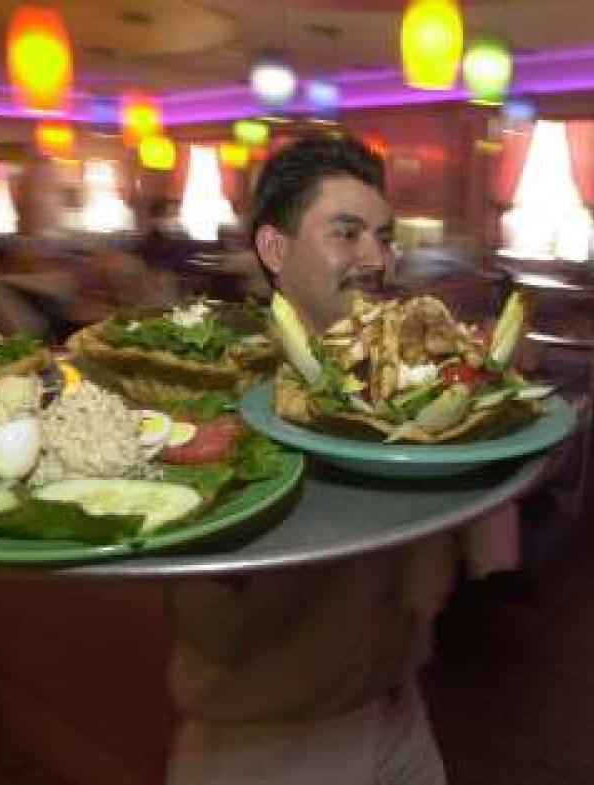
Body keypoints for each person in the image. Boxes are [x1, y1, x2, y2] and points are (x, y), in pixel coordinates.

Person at [164, 136, 452, 785]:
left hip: (397, 705)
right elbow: (209, 620)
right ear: (274, 249)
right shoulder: (214, 384)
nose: (376, 258)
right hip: (269, 739)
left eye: (383, 236)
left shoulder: (396, 373)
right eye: (346, 234)